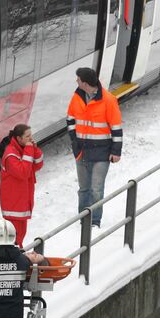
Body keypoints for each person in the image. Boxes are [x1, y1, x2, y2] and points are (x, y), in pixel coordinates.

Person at [67, 67, 123, 228]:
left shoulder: (109, 100)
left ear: (85, 83)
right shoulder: (77, 96)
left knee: (96, 189)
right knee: (84, 188)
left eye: (78, 79)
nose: (76, 82)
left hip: (101, 153)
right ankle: (83, 220)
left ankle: (94, 222)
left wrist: (116, 152)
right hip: (82, 152)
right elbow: (70, 119)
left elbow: (116, 128)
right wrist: (74, 141)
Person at [0, 124, 43, 247]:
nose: (30, 138)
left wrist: (34, 148)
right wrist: (29, 150)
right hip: (14, 205)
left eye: (31, 135)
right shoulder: (10, 155)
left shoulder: (22, 149)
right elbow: (23, 173)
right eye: (27, 136)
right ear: (19, 138)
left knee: (20, 236)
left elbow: (37, 165)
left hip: (21, 202)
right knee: (14, 238)